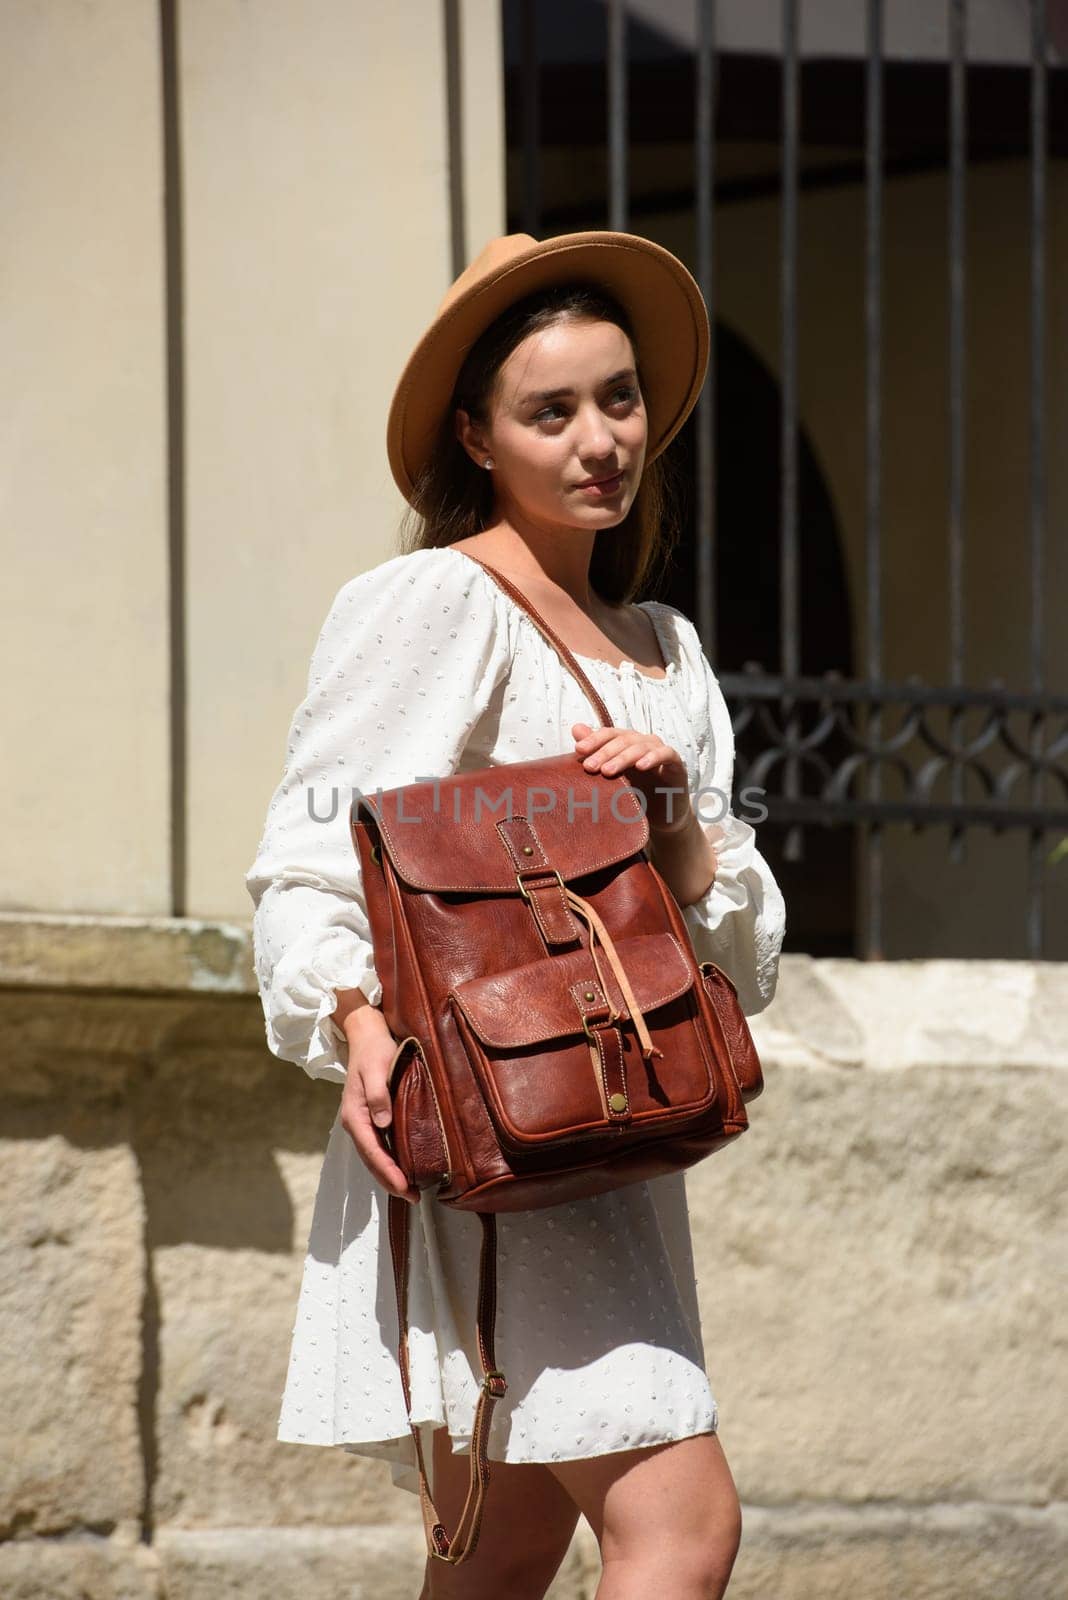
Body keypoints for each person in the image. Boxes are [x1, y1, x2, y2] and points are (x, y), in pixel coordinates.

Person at [245, 229, 786, 1600]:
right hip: (492, 1132)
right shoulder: (435, 602)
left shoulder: (667, 649)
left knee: (505, 1552)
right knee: (683, 1527)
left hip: (622, 1131)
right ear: (479, 437)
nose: (599, 438)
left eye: (618, 399)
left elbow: (738, 951)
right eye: (550, 411)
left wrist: (672, 825)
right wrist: (352, 1022)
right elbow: (315, 849)